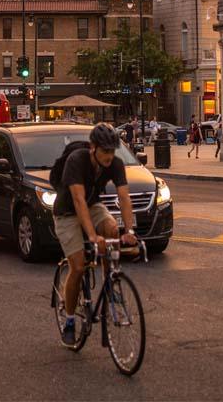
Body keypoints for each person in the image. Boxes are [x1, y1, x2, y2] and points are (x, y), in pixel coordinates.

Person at [52, 123, 138, 347]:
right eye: (105, 151)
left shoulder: (115, 164)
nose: (110, 156)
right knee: (79, 267)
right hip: (67, 211)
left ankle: (111, 284)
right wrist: (91, 236)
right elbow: (78, 201)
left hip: (92, 205)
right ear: (93, 148)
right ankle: (70, 321)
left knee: (111, 229)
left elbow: (124, 197)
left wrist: (129, 231)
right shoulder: (77, 161)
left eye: (112, 151)